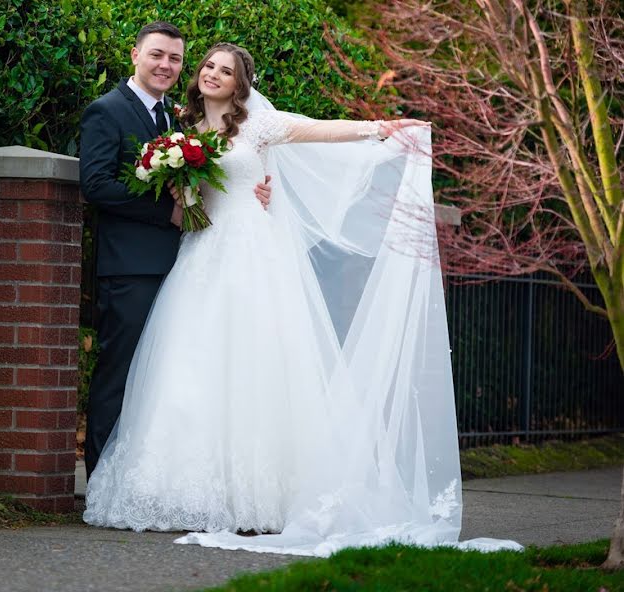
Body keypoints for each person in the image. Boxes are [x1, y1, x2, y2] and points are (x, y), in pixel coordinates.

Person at [83, 42, 521, 557]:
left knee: (259, 371)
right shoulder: (181, 129)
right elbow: (180, 195)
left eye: (225, 71)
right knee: (189, 371)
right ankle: (182, 489)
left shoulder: (259, 126)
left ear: (241, 83)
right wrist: (180, 199)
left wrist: (380, 128)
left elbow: (317, 129)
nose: (212, 75)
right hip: (199, 257)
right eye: (208, 67)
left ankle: (264, 496)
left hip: (252, 255)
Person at [79, 23, 274, 480]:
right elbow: (97, 185)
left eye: (174, 59)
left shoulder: (179, 118)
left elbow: (204, 181)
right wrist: (164, 214)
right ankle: (101, 481)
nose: (166, 65)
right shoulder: (106, 111)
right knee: (119, 373)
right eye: (157, 55)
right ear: (135, 55)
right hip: (130, 267)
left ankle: (146, 477)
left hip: (183, 264)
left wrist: (257, 191)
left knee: (163, 380)